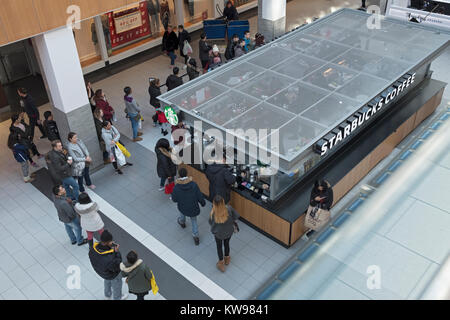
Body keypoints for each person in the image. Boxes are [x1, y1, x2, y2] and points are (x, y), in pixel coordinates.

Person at [89, 230, 128, 300]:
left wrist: (110, 249)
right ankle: (118, 297)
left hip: (102, 272)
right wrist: (116, 252)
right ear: (108, 242)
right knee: (117, 285)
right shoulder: (110, 259)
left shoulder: (92, 249)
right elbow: (118, 266)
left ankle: (107, 294)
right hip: (112, 275)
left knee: (107, 281)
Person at [172, 167, 206, 245]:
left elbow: (174, 199)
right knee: (194, 221)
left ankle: (182, 222)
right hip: (193, 207)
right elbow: (199, 196)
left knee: (182, 213)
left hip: (182, 206)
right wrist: (202, 203)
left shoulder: (177, 187)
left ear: (179, 175)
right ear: (187, 174)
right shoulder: (193, 185)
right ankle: (196, 236)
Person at [209, 195, 240, 272]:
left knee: (219, 247)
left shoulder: (213, 213)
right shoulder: (228, 208)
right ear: (223, 202)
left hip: (218, 234)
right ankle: (227, 258)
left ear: (214, 204)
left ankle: (221, 263)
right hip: (229, 231)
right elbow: (236, 216)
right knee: (227, 244)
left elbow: (210, 223)